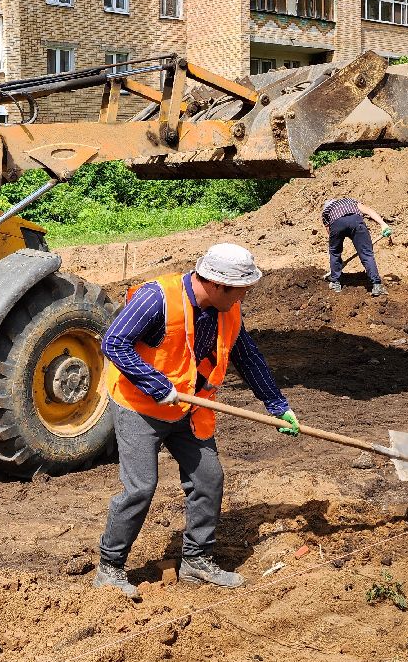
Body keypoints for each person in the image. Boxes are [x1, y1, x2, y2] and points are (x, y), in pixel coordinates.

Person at [94, 243, 300, 598]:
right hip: (139, 406)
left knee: (208, 477)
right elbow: (113, 343)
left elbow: (247, 356)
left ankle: (196, 560)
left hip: (190, 407)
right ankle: (110, 567)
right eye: (242, 289)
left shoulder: (229, 310)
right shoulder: (157, 299)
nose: (245, 295)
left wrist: (276, 404)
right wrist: (156, 384)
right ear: (218, 284)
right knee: (141, 487)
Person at [322, 196, 391, 297]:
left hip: (336, 224)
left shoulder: (326, 211)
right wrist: (383, 224)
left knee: (335, 253)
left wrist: (336, 244)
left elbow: (329, 231)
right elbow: (368, 211)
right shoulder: (349, 201)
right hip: (356, 221)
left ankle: (335, 282)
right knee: (367, 253)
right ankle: (377, 285)